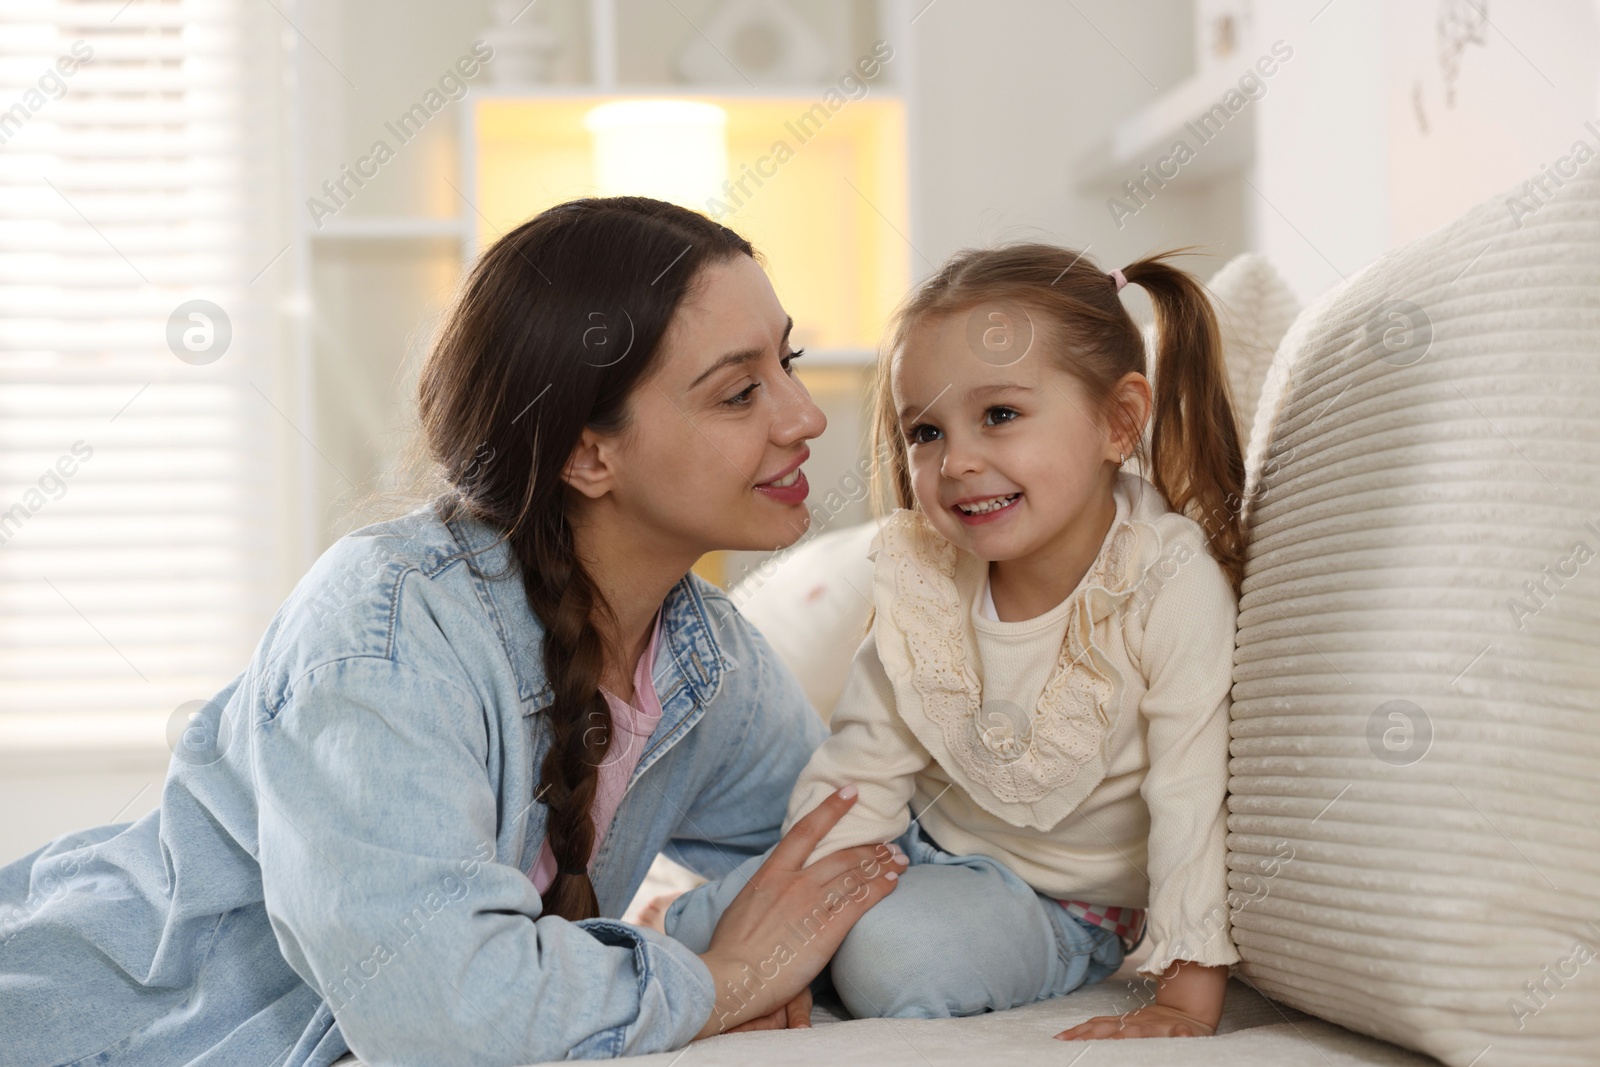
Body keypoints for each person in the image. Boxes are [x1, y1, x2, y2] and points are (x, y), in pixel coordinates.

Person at [0, 197, 908, 1067]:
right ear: (588, 453)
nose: (805, 416)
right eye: (741, 391)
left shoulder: (704, 657)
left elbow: (853, 862)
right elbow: (445, 1006)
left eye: (789, 362)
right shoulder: (383, 629)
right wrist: (715, 980)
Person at [666, 243, 1246, 1040]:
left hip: (1057, 904)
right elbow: (861, 762)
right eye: (926, 430)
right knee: (712, 930)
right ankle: (696, 926)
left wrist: (1186, 996)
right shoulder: (925, 580)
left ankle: (838, 958)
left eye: (999, 415)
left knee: (893, 958)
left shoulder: (1167, 584)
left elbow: (1190, 800)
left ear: (1119, 421)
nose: (958, 461)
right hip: (911, 842)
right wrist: (790, 919)